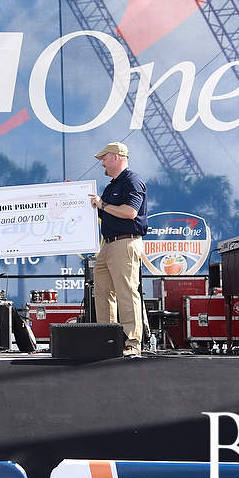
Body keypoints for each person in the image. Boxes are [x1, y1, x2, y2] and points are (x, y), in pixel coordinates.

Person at [88, 141, 148, 357]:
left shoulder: (132, 180)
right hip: (108, 245)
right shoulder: (111, 185)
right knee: (102, 292)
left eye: (104, 158)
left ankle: (132, 342)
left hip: (125, 242)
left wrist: (102, 204)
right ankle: (108, 340)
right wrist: (72, 197)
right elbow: (103, 211)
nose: (102, 163)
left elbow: (130, 212)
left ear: (116, 157)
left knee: (126, 292)